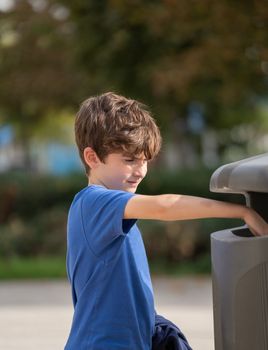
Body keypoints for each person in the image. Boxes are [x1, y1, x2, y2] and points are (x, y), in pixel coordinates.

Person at [64, 92, 268, 350]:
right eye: (129, 160)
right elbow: (164, 206)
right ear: (92, 157)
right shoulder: (93, 203)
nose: (139, 170)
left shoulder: (115, 217)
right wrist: (244, 213)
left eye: (145, 161)